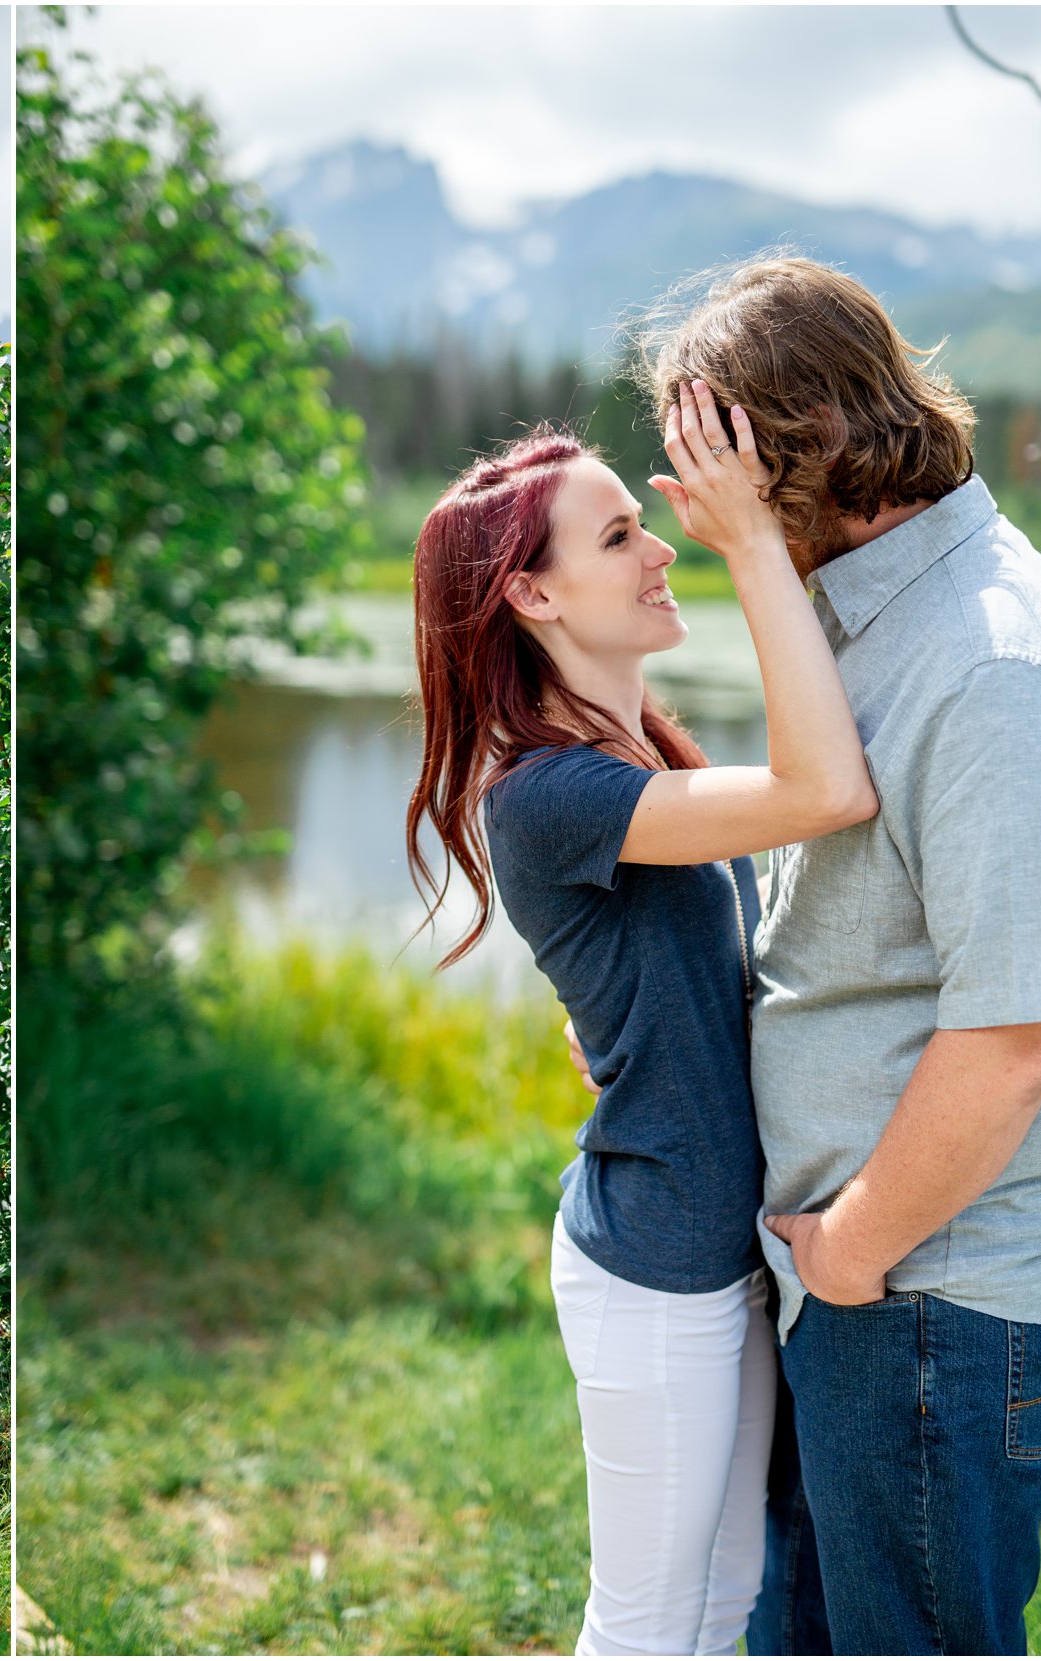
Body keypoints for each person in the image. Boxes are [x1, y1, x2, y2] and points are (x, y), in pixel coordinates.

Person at [621, 257, 1041, 1658]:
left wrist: (850, 1249)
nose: (694, 506)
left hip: (932, 1291)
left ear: (800, 444)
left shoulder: (992, 670)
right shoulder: (877, 619)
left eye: (708, 460)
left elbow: (1018, 1033)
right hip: (874, 1284)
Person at [405, 383, 878, 1655]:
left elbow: (685, 974)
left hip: (718, 1252)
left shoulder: (640, 760)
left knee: (719, 1605)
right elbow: (825, 787)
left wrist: (625, 1036)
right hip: (652, 1267)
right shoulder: (550, 792)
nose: (662, 544)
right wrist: (758, 544)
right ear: (533, 595)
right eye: (619, 534)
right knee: (643, 1624)